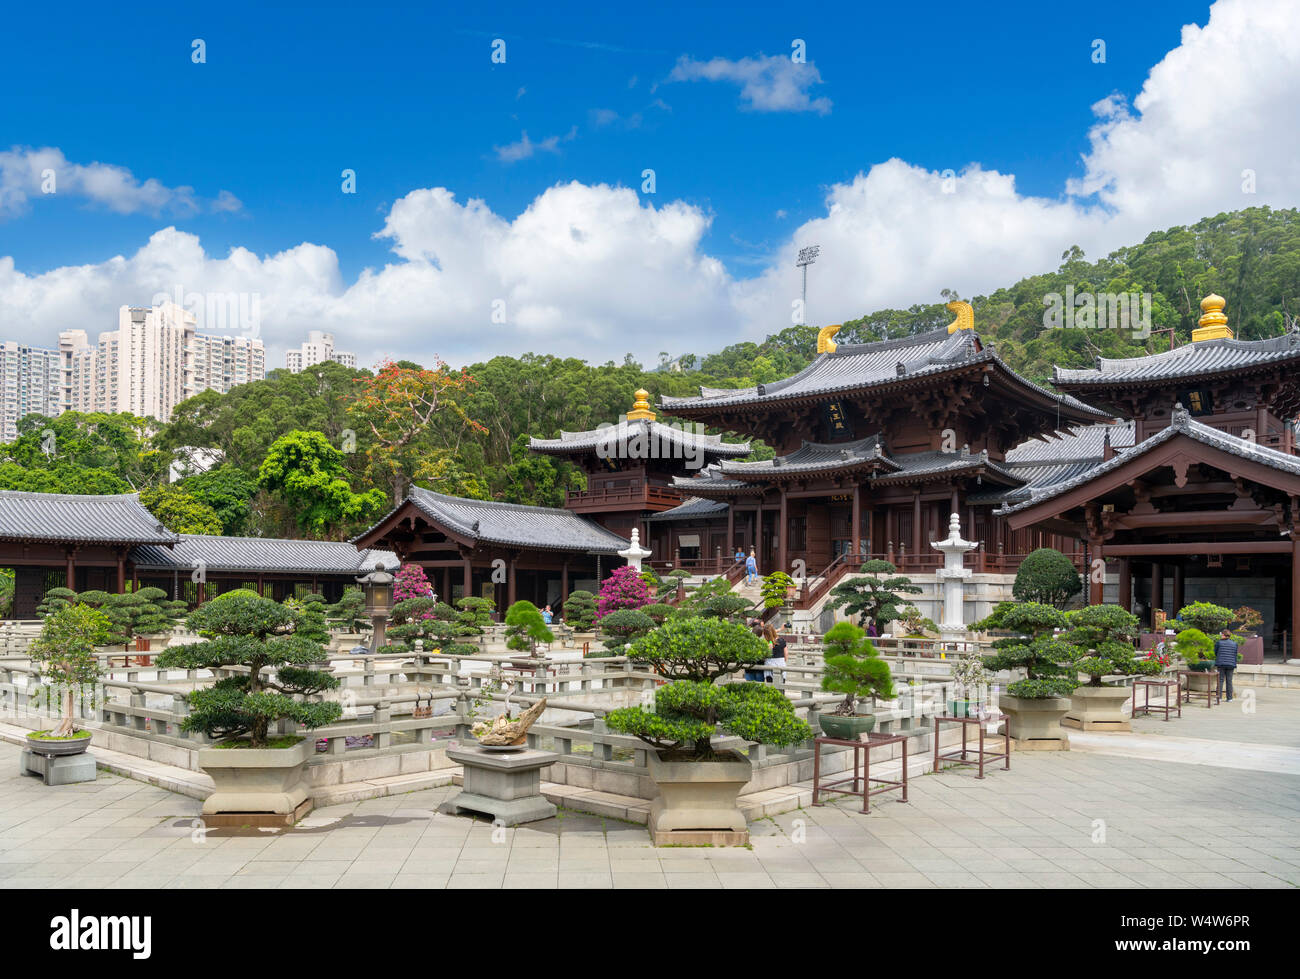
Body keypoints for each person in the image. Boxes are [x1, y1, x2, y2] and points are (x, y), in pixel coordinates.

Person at [1214, 629, 1239, 702]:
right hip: (1231, 664)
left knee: (1220, 680)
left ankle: (1219, 698)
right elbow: (1235, 653)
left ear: (1223, 635)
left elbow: (1216, 652)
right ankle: (1229, 698)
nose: (1221, 635)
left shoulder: (1219, 643)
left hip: (1221, 664)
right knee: (1229, 681)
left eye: (1221, 634)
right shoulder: (1234, 643)